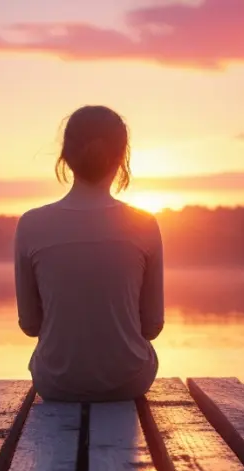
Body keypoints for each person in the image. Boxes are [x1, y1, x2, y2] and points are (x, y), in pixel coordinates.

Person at [13, 105, 164, 402]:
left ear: (65, 157)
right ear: (121, 158)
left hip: (55, 382)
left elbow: (30, 326)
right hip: (128, 381)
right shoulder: (145, 224)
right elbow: (152, 327)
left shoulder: (30, 224)